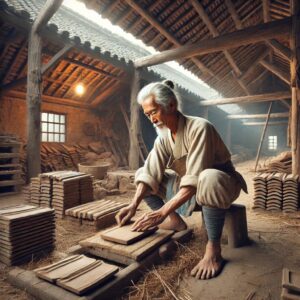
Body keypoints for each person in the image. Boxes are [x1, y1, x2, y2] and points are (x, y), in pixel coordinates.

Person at [116, 80, 247, 280]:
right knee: (143, 174)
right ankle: (176, 222)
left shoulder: (200, 127)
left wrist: (162, 211)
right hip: (192, 184)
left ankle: (213, 249)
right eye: (147, 115)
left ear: (171, 105)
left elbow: (195, 178)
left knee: (208, 177)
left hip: (222, 184)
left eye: (154, 112)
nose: (152, 119)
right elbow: (149, 173)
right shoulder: (163, 138)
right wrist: (133, 205)